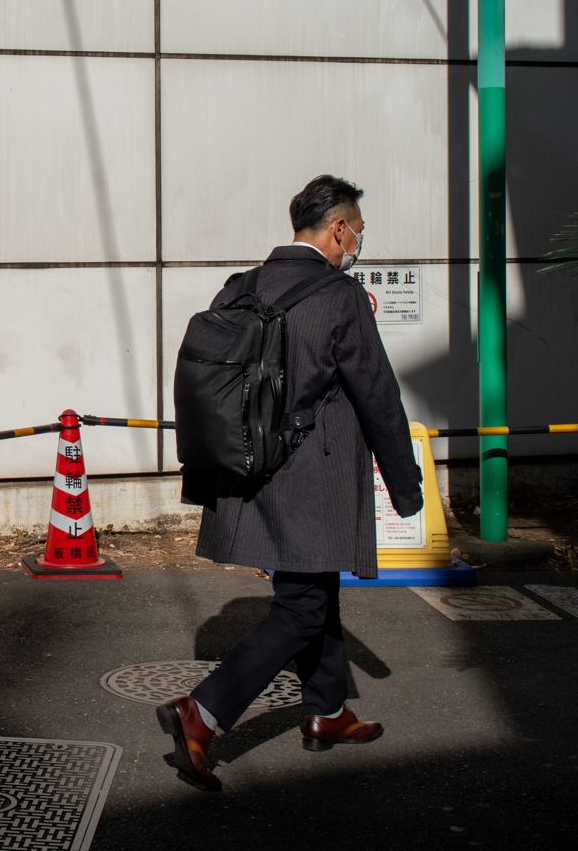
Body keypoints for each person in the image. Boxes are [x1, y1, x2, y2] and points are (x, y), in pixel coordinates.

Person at [159, 174, 423, 789]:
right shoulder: (340, 298)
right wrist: (406, 488)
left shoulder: (241, 288)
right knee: (302, 607)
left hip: (249, 472)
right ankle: (202, 713)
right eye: (357, 230)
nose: (358, 241)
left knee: (314, 591)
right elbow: (379, 397)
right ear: (337, 230)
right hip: (313, 481)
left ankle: (326, 712)